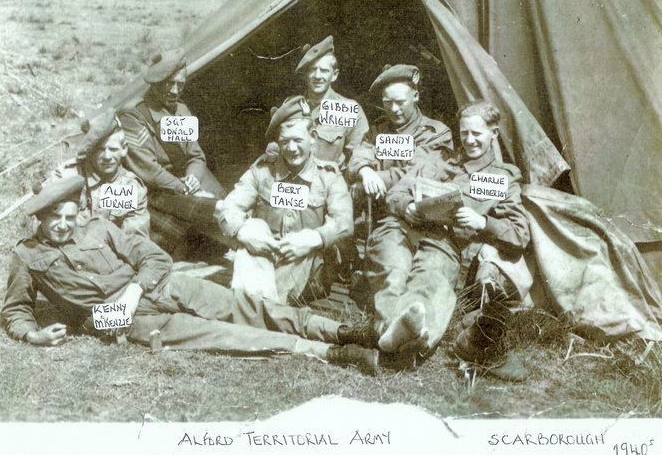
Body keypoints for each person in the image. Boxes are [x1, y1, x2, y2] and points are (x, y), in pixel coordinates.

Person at [1, 176, 379, 374]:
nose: (65, 226)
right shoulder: (26, 255)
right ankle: (333, 352)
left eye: (70, 216)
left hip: (156, 284)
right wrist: (33, 334)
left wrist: (135, 288)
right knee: (219, 335)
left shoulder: (99, 226)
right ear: (40, 219)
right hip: (112, 317)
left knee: (242, 304)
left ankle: (344, 331)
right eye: (56, 220)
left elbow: (154, 257)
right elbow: (15, 308)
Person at [364, 100, 530, 366]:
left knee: (431, 280)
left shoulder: (503, 178)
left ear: (493, 134)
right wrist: (407, 207)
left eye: (477, 133)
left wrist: (483, 222)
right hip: (402, 228)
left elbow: (520, 234)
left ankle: (406, 333)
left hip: (444, 243)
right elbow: (396, 193)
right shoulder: (437, 158)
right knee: (392, 270)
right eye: (464, 132)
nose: (470, 140)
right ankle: (399, 332)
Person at [216, 96, 354, 305]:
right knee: (253, 226)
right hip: (263, 259)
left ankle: (254, 307)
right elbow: (229, 207)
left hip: (308, 267)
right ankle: (260, 309)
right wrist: (245, 232)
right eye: (284, 141)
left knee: (303, 241)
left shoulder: (329, 176)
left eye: (298, 140)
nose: (291, 148)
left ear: (313, 137)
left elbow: (344, 222)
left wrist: (313, 238)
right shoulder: (262, 171)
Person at [116, 49, 226, 252]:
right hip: (156, 189)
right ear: (156, 82)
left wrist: (193, 177)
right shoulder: (134, 115)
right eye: (169, 83)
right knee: (200, 224)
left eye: (180, 84)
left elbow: (196, 155)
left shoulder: (181, 111)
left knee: (226, 209)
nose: (175, 91)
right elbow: (149, 170)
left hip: (183, 181)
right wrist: (183, 188)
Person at [348, 64, 453, 201]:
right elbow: (359, 156)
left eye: (400, 102)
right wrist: (365, 171)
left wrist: (373, 179)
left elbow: (414, 174)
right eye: (388, 102)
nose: (394, 109)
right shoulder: (377, 130)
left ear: (415, 96)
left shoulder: (435, 134)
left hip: (412, 208)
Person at [264, 35, 369, 170]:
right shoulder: (290, 106)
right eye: (312, 70)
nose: (318, 76)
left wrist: (362, 171)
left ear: (335, 75)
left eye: (324, 70)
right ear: (305, 74)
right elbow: (276, 147)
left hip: (329, 185)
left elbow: (359, 153)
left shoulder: (348, 109)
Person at [55, 110, 150, 237]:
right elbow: (48, 226)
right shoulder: (68, 176)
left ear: (124, 149)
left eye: (113, 149)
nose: (107, 156)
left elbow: (134, 242)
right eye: (100, 149)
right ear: (90, 151)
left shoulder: (131, 187)